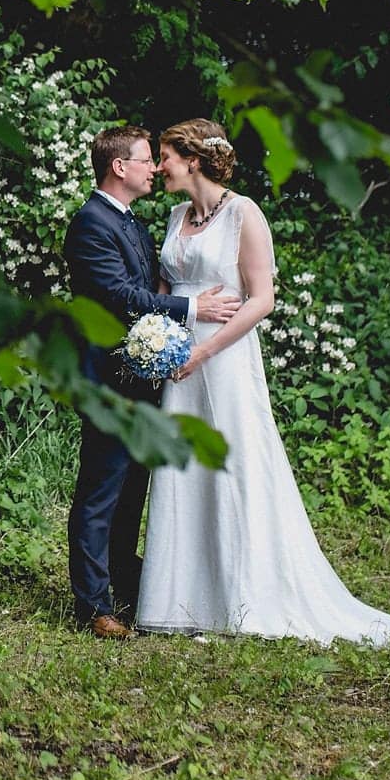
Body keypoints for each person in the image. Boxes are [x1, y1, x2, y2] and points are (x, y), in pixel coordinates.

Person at [135, 118, 390, 646]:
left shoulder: (244, 213)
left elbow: (262, 298)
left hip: (224, 358)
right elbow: (166, 287)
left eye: (166, 156)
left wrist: (205, 350)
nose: (160, 166)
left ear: (191, 160)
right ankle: (180, 601)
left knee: (234, 464)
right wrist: (161, 344)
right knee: (181, 466)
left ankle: (243, 598)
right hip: (179, 361)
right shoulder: (175, 216)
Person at [64, 126, 241, 640]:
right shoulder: (91, 225)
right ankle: (92, 607)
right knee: (100, 492)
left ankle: (122, 591)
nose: (154, 168)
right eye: (146, 160)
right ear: (119, 167)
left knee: (130, 493)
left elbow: (148, 285)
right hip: (108, 380)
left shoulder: (132, 224)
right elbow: (121, 295)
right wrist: (192, 307)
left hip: (142, 377)